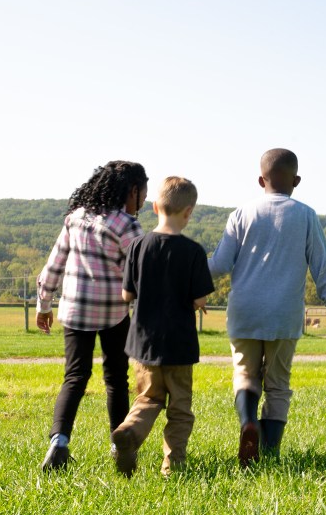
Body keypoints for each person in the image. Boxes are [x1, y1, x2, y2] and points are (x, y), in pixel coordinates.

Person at [209, 148, 326, 467]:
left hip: (244, 314)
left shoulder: (241, 214)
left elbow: (220, 264)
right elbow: (323, 270)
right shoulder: (305, 215)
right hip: (283, 316)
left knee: (245, 375)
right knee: (278, 385)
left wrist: (186, 268)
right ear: (297, 180)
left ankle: (248, 421)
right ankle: (270, 452)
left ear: (260, 179)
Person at [37, 160, 149, 471]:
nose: (144, 201)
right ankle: (119, 444)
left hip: (73, 310)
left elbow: (54, 264)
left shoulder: (75, 218)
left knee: (74, 377)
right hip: (113, 312)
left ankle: (59, 442)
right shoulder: (127, 225)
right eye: (143, 194)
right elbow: (138, 274)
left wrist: (44, 304)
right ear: (132, 191)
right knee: (115, 379)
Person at [111, 177, 215, 478]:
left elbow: (126, 295)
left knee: (147, 399)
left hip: (143, 344)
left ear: (155, 207)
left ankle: (129, 432)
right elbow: (199, 298)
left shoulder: (138, 246)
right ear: (189, 212)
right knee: (180, 410)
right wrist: (198, 301)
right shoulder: (194, 251)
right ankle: (172, 466)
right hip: (179, 346)